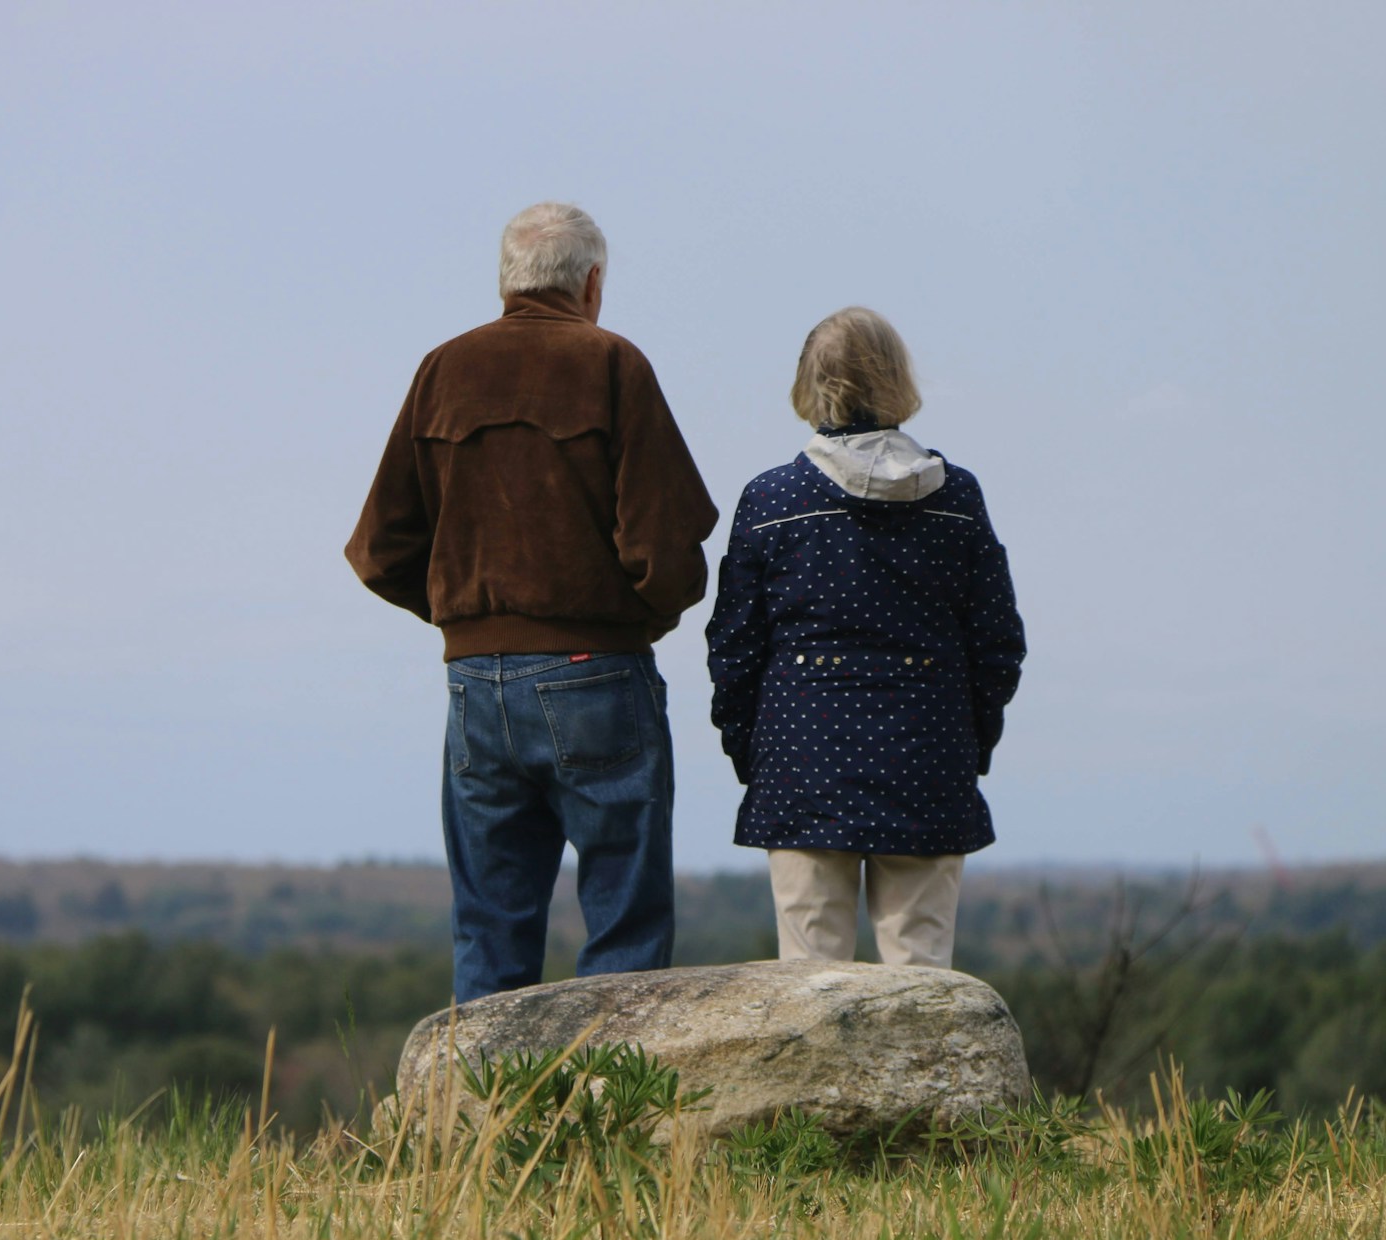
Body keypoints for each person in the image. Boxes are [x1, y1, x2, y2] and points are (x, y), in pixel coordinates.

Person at [346, 202, 717, 1003]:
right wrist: (628, 622)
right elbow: (670, 549)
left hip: (473, 685)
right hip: (599, 676)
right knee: (624, 926)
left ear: (508, 281)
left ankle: (484, 1123)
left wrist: (470, 622)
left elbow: (379, 551)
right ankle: (610, 1121)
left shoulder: (441, 370)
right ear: (592, 283)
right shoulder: (613, 365)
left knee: (489, 929)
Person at [706, 306, 1024, 968]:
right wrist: (969, 743)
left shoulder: (772, 501)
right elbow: (998, 645)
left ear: (810, 385)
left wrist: (752, 754)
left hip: (801, 755)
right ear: (897, 379)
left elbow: (734, 649)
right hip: (928, 754)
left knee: (808, 984)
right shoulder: (956, 499)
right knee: (923, 983)